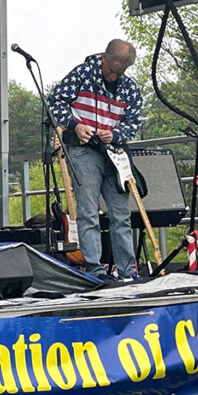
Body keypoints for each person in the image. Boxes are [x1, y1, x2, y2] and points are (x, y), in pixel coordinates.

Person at [47, 38, 144, 280]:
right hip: (82, 150)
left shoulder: (131, 88)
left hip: (114, 153)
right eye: (111, 70)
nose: (113, 76)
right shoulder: (82, 74)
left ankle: (128, 271)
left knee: (121, 214)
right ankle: (94, 270)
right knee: (88, 212)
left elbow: (133, 122)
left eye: (119, 72)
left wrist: (116, 134)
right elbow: (55, 101)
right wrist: (75, 126)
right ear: (103, 59)